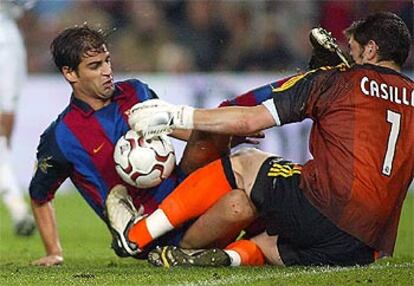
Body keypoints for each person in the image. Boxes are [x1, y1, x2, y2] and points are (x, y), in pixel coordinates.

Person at [108, 12, 413, 267]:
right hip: (366, 247)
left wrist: (174, 116)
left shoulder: (337, 81)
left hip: (326, 212)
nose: (350, 57)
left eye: (354, 49)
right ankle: (218, 257)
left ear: (371, 50)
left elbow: (250, 119)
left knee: (245, 162)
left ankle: (137, 236)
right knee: (265, 239)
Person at [29, 24, 266, 266]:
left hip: (185, 191)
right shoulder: (61, 136)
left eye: (107, 61)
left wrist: (227, 132)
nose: (107, 71)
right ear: (70, 73)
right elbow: (39, 195)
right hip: (149, 231)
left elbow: (174, 127)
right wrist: (54, 251)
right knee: (240, 207)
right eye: (95, 66)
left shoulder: (134, 91)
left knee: (213, 129)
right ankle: (177, 250)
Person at [0, 0, 36, 236]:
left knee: (4, 128)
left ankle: (16, 205)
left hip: (6, 36)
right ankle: (17, 206)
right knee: (3, 127)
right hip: (4, 40)